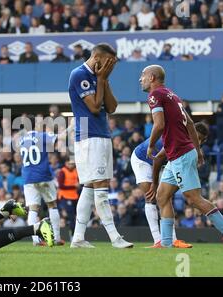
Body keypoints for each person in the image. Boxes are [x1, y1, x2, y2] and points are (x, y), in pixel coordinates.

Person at [140, 64, 223, 249]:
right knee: (162, 196)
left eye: (143, 75)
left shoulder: (155, 95)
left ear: (152, 77)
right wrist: (198, 150)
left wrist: (152, 144)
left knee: (193, 198)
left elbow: (159, 124)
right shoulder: (173, 96)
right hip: (177, 154)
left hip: (180, 155)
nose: (140, 79)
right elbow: (191, 123)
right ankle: (166, 242)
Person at [68, 43, 133, 249]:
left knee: (89, 187)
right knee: (101, 186)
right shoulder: (79, 74)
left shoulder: (100, 77)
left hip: (101, 134)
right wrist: (102, 79)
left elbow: (112, 107)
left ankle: (78, 238)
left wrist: (104, 80)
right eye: (108, 62)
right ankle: (115, 238)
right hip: (89, 136)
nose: (110, 66)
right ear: (97, 58)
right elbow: (95, 107)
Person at [131, 121, 209, 247]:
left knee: (165, 198)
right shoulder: (176, 138)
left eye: (201, 140)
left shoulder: (189, 147)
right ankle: (158, 240)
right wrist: (154, 184)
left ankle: (173, 240)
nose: (198, 142)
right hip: (143, 160)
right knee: (151, 197)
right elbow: (157, 161)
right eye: (197, 138)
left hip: (160, 163)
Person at [18, 115, 64, 246]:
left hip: (28, 178)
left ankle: (35, 240)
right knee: (52, 205)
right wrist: (71, 127)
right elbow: (60, 138)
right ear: (35, 125)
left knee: (33, 209)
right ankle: (56, 238)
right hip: (43, 176)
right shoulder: (41, 135)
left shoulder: (21, 140)